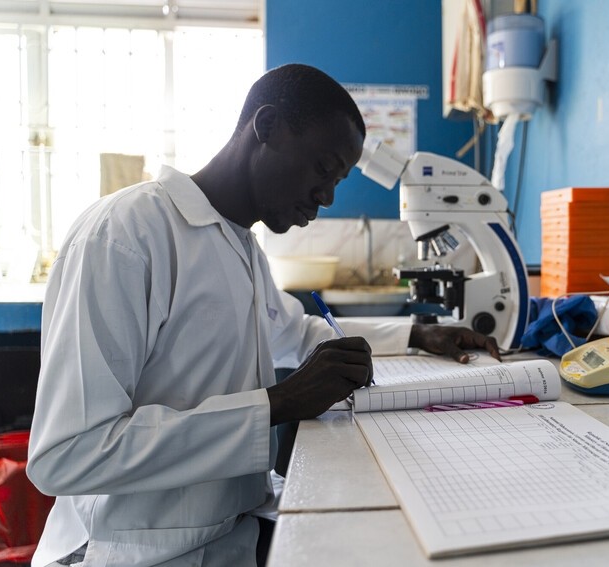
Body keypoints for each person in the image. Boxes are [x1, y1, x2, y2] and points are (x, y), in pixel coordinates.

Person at [26, 63, 500, 567]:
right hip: (125, 553)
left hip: (225, 538)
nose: (328, 196)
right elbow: (67, 453)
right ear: (267, 127)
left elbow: (295, 332)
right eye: (323, 168)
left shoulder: (241, 245)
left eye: (338, 180)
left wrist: (418, 333)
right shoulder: (126, 235)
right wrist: (276, 403)